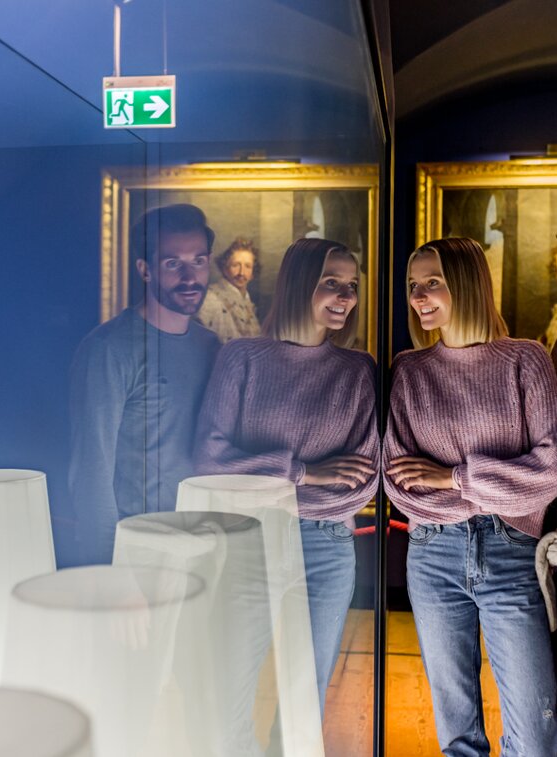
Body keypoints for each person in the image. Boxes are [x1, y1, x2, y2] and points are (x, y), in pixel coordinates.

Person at [383, 237, 557, 756]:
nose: (419, 296)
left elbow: (549, 472)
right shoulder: (409, 370)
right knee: (457, 732)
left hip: (512, 553)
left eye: (432, 282)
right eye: (414, 286)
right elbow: (400, 483)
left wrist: (454, 479)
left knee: (536, 732)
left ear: (468, 281)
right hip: (432, 553)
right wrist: (496, 489)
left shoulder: (527, 361)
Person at [195, 237, 379, 717]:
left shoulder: (359, 370)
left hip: (327, 549)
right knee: (227, 693)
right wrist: (304, 472)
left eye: (352, 286)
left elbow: (357, 486)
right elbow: (210, 461)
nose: (346, 297)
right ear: (300, 284)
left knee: (305, 700)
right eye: (332, 283)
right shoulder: (243, 358)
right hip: (248, 541)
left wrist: (265, 481)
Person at [69, 204, 220, 564]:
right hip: (134, 547)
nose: (189, 276)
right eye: (173, 263)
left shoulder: (211, 346)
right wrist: (108, 565)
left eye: (198, 261)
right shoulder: (109, 349)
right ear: (145, 269)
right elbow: (92, 468)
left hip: (201, 543)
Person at [197, 237, 261, 343]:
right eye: (235, 265)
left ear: (253, 273)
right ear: (224, 268)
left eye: (248, 266)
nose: (241, 272)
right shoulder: (209, 299)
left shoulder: (248, 303)